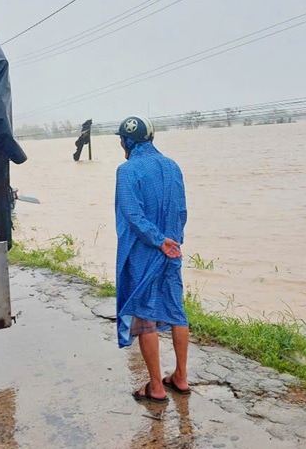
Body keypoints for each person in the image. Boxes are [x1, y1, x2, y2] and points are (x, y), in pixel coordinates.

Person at [114, 115, 190, 404]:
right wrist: (172, 241)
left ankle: (156, 387)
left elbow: (132, 215)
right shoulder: (172, 166)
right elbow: (182, 210)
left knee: (145, 316)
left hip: (145, 251)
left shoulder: (127, 170)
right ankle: (181, 377)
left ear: (127, 141)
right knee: (175, 310)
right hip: (172, 249)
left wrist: (157, 241)